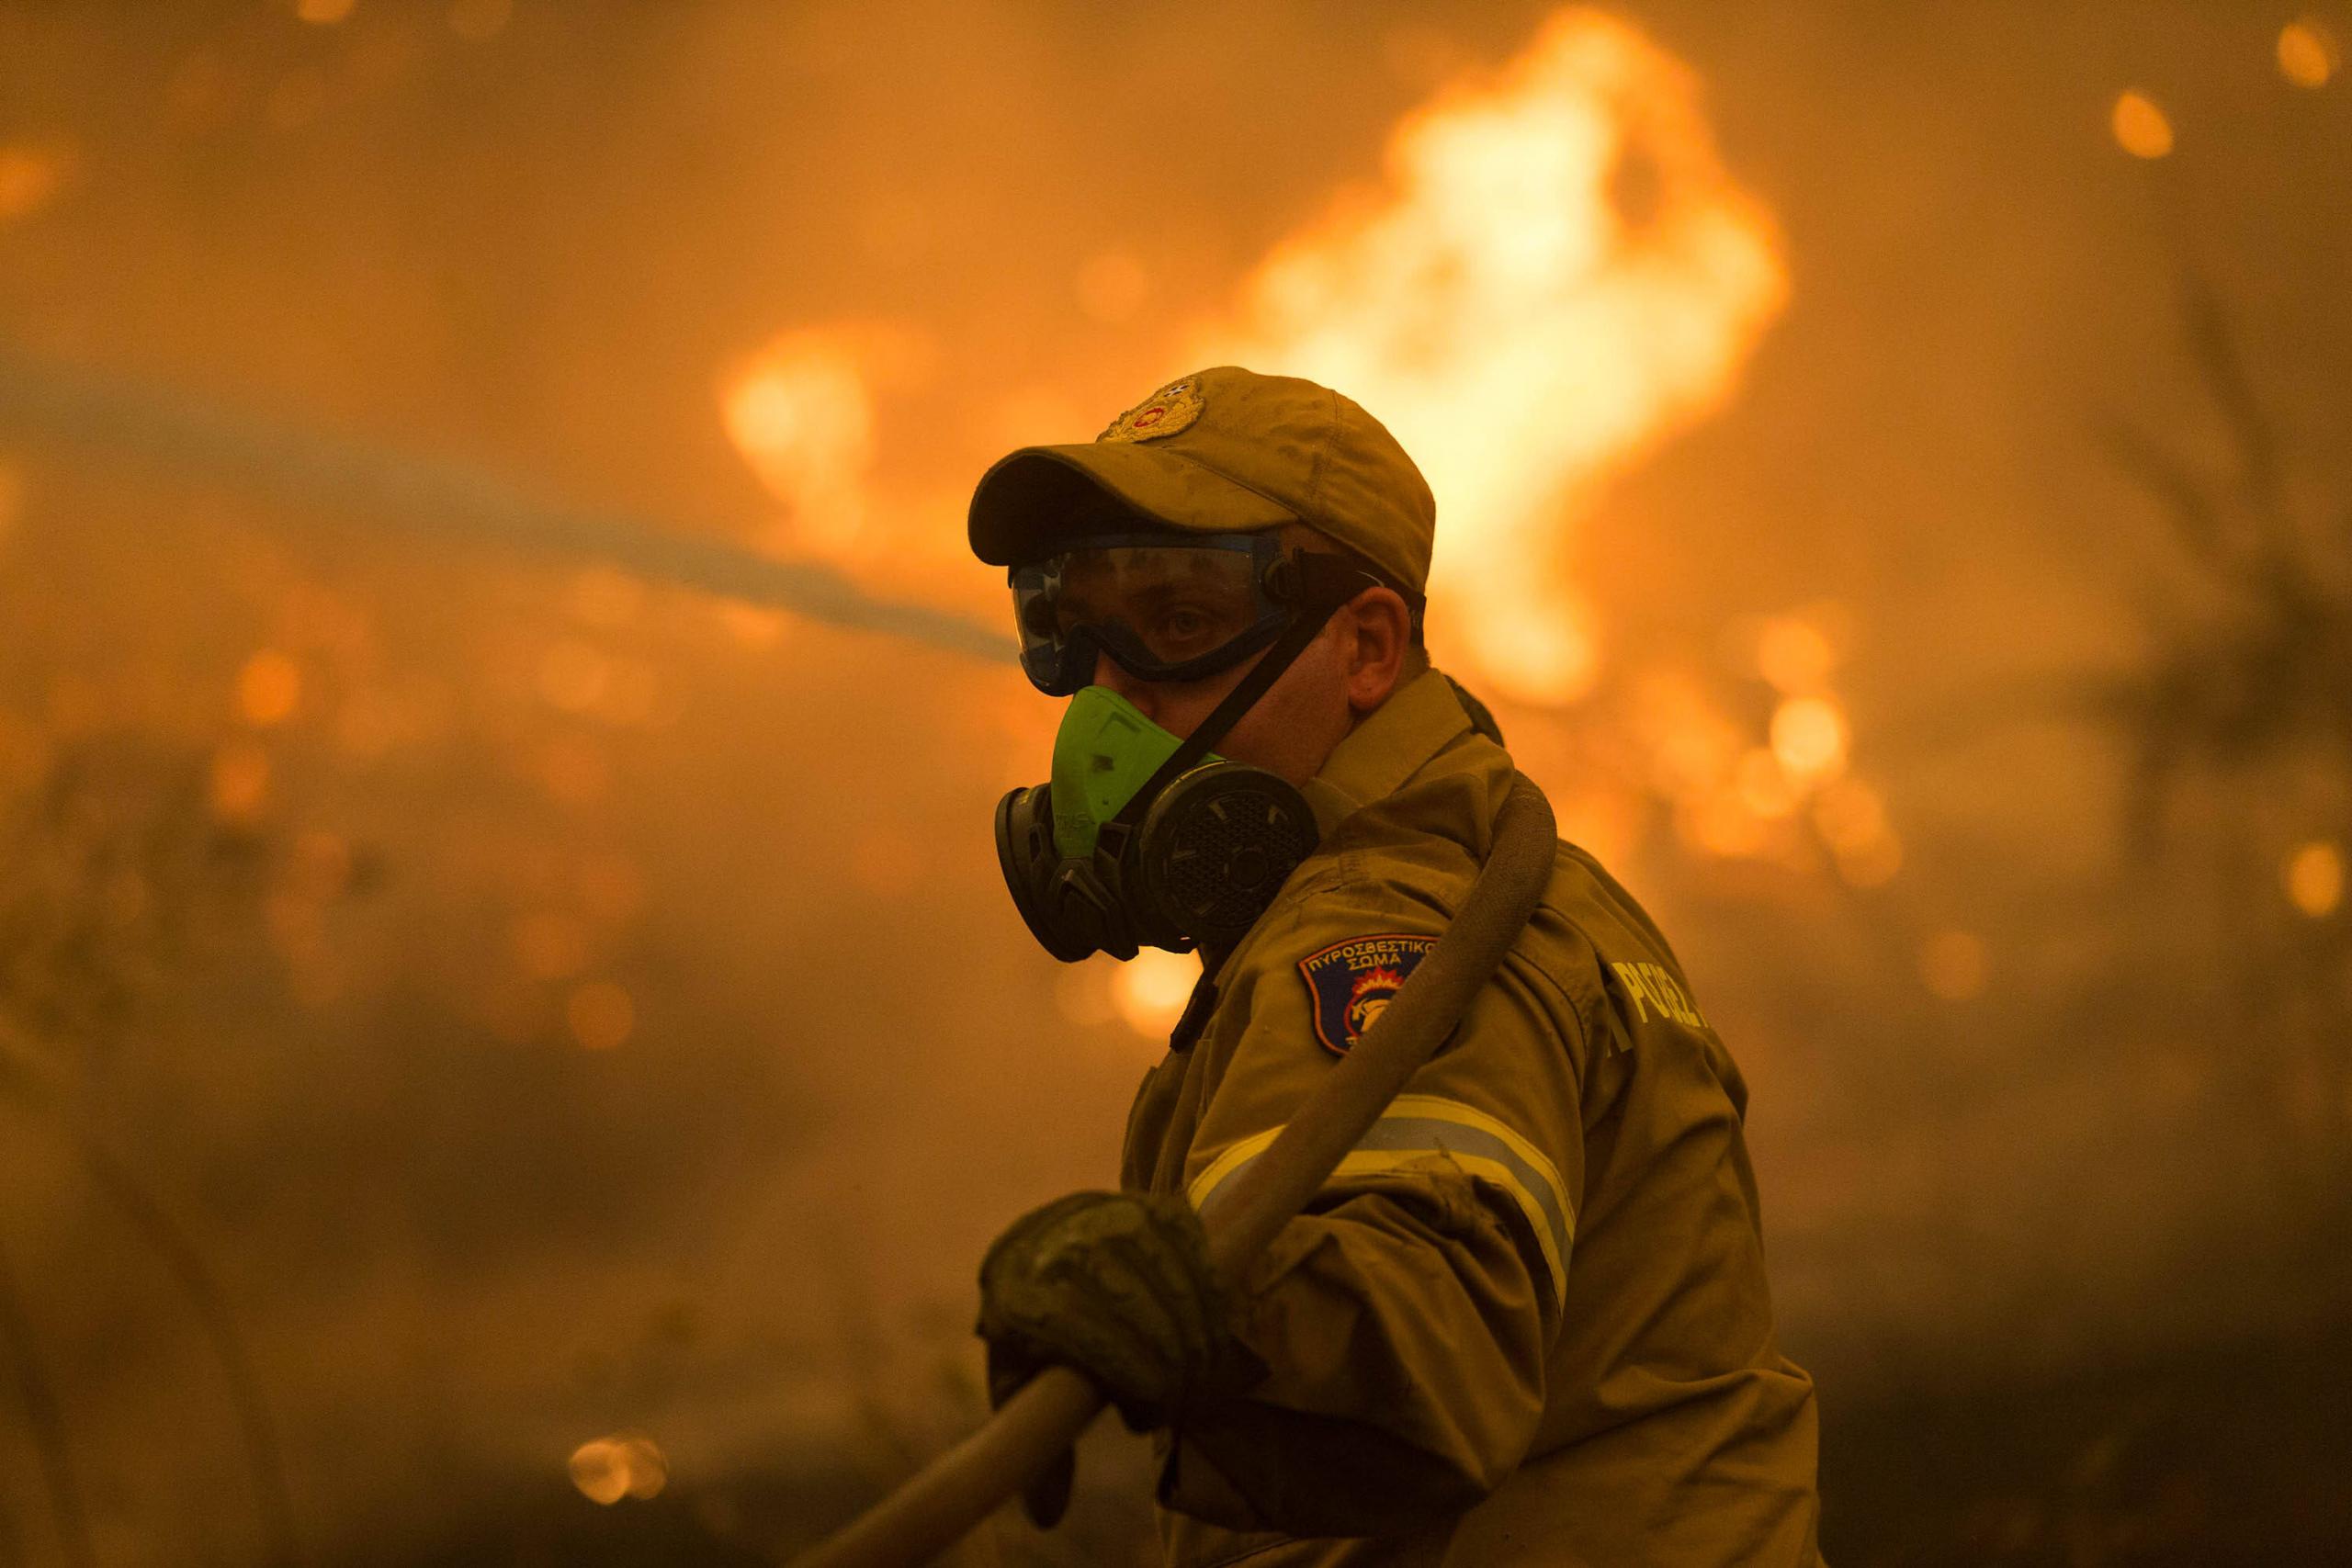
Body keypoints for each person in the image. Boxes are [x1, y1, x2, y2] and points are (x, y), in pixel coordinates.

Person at [967, 366, 1825, 1566]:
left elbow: (1427, 1336)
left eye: (1176, 627)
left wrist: (1206, 1308)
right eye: (1073, 636)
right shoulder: (1493, 877)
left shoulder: (1388, 922)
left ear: (1367, 648)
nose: (1112, 701)